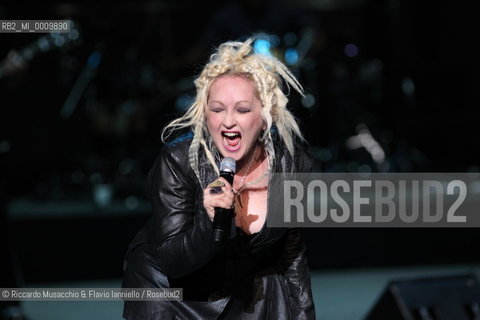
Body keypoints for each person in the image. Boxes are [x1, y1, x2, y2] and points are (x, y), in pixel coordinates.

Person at [122, 37, 316, 319]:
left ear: (265, 116)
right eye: (217, 109)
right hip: (172, 292)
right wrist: (208, 221)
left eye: (242, 109)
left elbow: (292, 255)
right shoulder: (178, 161)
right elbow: (172, 261)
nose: (228, 122)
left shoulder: (293, 165)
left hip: (246, 290)